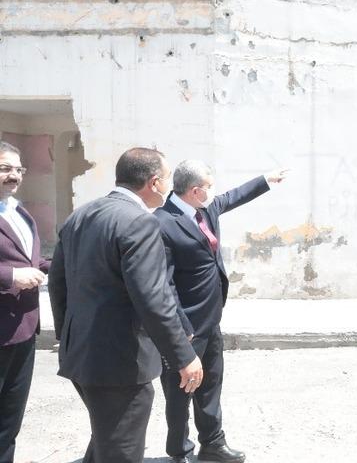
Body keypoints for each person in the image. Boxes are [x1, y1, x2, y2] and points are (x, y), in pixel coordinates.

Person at [48, 148, 204, 463]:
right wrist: (184, 356)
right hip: (119, 365)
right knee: (120, 451)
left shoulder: (81, 215)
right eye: (167, 179)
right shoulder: (139, 223)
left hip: (82, 355)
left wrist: (68, 336)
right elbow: (152, 298)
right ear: (154, 182)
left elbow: (57, 283)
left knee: (106, 441)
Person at [154, 160, 287, 463]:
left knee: (211, 385)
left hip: (211, 320)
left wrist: (265, 179)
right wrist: (182, 326)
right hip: (184, 327)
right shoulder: (162, 223)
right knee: (179, 395)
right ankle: (179, 452)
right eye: (209, 187)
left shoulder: (204, 209)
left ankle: (213, 444)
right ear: (195, 190)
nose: (215, 193)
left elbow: (233, 197)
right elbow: (164, 283)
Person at [0, 141, 50, 463]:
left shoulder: (20, 211)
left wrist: (65, 268)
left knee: (9, 420)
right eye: (5, 168)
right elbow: (15, 269)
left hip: (24, 329)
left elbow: (32, 260)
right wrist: (10, 278)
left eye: (19, 169)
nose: (14, 175)